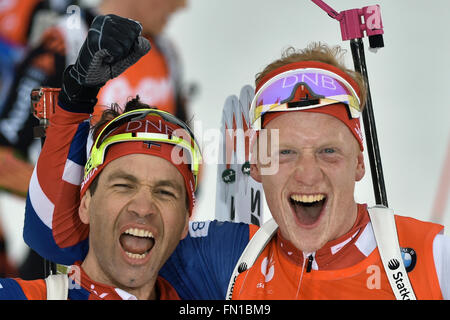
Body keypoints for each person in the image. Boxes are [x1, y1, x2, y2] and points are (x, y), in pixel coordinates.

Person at [20, 31, 450, 299]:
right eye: (284, 152)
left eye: (328, 151)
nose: (307, 174)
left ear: (360, 164)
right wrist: (75, 102)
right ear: (258, 166)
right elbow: (64, 240)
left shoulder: (432, 259)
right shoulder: (226, 257)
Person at [0, 14, 201, 300]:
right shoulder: (64, 36)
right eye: (124, 185)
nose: (143, 206)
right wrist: (76, 98)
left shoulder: (168, 54)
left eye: (165, 191)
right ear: (85, 203)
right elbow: (47, 229)